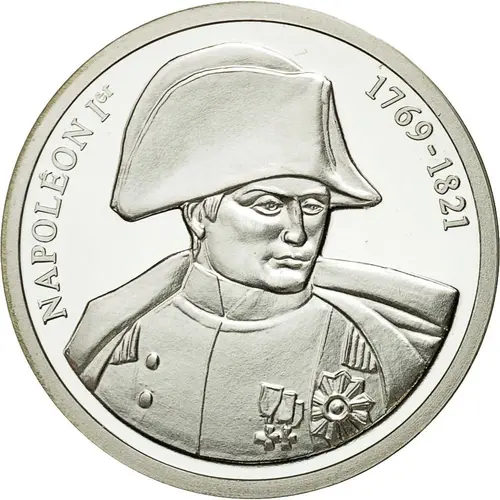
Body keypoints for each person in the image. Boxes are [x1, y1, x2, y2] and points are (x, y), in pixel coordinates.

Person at [64, 44, 458, 463]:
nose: (299, 233)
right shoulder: (122, 342)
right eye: (268, 205)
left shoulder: (362, 349)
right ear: (198, 215)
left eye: (313, 206)